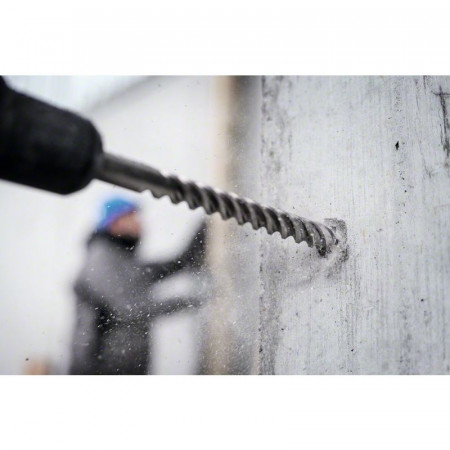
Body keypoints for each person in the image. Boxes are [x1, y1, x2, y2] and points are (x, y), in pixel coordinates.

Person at [69, 196, 206, 375]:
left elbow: (169, 267)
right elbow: (132, 308)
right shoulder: (102, 259)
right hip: (101, 371)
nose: (139, 223)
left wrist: (201, 235)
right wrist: (192, 300)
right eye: (131, 217)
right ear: (115, 223)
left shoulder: (120, 258)